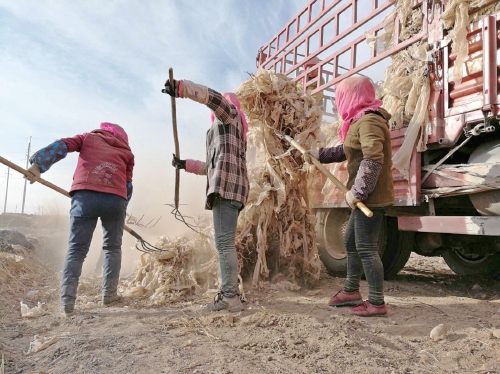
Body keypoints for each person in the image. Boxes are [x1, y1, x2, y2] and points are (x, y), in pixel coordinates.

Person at [304, 76, 394, 317]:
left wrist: (358, 191)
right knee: (351, 242)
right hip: (365, 197)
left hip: (371, 199)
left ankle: (376, 302)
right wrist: (318, 154)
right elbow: (345, 150)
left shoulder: (370, 121)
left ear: (352, 96)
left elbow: (373, 158)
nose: (337, 104)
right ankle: (351, 291)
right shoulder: (359, 121)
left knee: (365, 247)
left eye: (340, 96)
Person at [26, 123, 134, 317]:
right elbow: (128, 186)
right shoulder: (127, 151)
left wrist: (38, 166)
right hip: (116, 201)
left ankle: (67, 301)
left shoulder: (88, 137)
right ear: (122, 137)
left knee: (76, 249)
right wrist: (121, 209)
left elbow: (62, 146)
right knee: (113, 248)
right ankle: (109, 295)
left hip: (85, 197)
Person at [163, 78, 249, 313]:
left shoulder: (229, 115)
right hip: (232, 190)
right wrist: (185, 164)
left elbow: (214, 98)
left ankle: (230, 297)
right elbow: (211, 167)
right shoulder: (229, 131)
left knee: (223, 244)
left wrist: (182, 89)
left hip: (226, 190)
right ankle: (231, 293)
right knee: (225, 243)